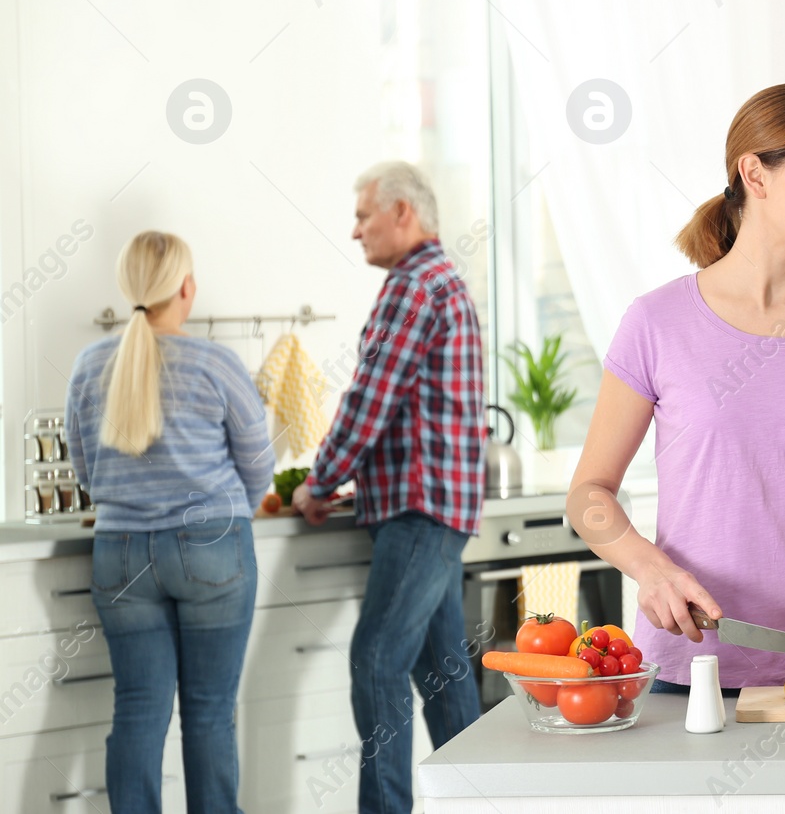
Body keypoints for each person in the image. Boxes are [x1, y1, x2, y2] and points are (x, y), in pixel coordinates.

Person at [567, 82, 785, 691]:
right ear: (756, 173)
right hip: (687, 666)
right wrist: (650, 569)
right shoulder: (657, 321)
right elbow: (589, 495)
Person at [294, 161, 484, 813]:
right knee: (443, 676)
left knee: (376, 664)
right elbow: (407, 406)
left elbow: (371, 398)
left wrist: (318, 483)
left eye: (362, 216)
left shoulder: (413, 285)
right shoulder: (442, 280)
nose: (354, 233)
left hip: (419, 512)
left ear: (403, 212)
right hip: (437, 508)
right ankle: (479, 803)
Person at [65, 231, 272, 814]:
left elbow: (84, 467)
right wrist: (236, 505)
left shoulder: (88, 364)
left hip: (121, 554)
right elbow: (258, 463)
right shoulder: (215, 361)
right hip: (213, 549)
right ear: (186, 287)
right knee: (208, 714)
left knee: (137, 710)